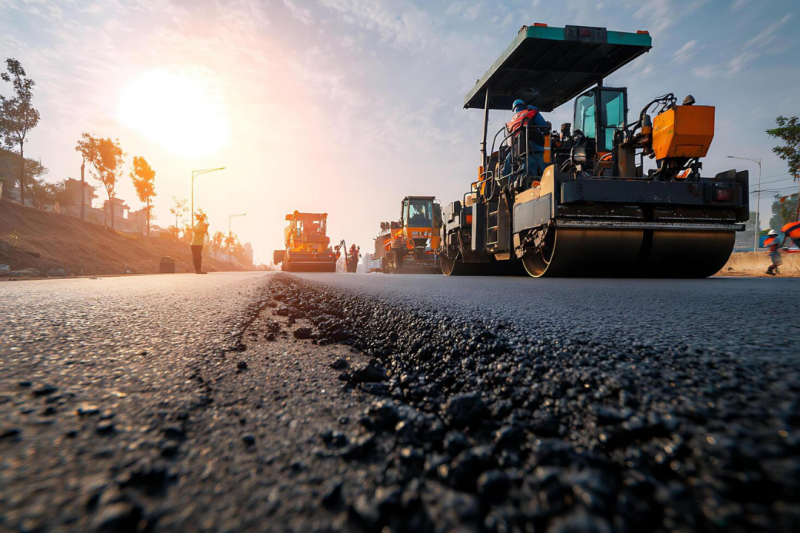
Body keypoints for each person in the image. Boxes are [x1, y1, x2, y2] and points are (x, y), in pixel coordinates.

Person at [502, 99, 548, 184]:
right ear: (524, 106)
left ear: (514, 109)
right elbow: (544, 126)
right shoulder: (531, 112)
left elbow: (509, 142)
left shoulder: (510, 123)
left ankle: (509, 183)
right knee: (542, 168)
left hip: (517, 151)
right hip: (535, 147)